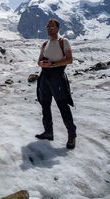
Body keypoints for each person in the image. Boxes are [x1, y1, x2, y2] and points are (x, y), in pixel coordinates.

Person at [35, 19, 77, 149]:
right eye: (48, 27)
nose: (49, 29)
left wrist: (53, 64)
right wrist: (42, 64)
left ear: (58, 28)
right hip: (45, 76)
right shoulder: (44, 44)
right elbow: (39, 61)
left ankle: (72, 135)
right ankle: (48, 132)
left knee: (62, 106)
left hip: (57, 76)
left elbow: (69, 59)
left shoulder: (63, 42)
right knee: (45, 105)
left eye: (52, 27)